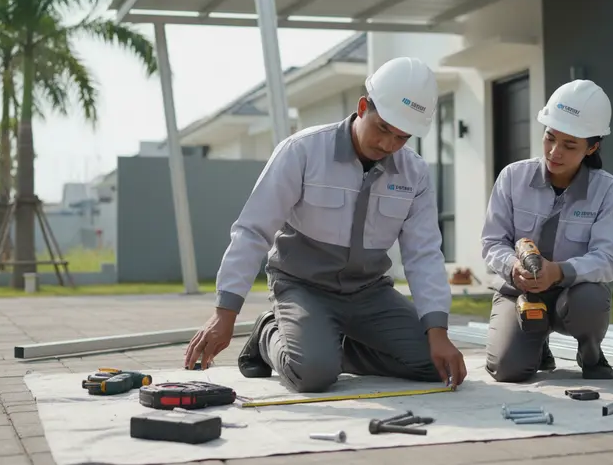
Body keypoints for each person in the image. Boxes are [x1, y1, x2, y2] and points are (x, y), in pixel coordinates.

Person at [183, 57, 467, 393]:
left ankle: (324, 349)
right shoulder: (302, 152)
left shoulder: (414, 173)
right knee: (313, 376)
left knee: (433, 363)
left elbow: (423, 254)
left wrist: (438, 331)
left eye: (402, 137)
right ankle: (269, 333)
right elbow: (252, 230)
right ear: (363, 107)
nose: (389, 145)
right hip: (304, 287)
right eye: (383, 129)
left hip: (369, 293)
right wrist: (225, 314)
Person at [479, 79, 613, 383]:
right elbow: (493, 242)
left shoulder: (608, 191)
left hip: (570, 296)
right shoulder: (513, 178)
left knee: (591, 300)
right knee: (507, 370)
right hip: (517, 292)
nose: (555, 151)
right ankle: (536, 345)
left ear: (592, 147)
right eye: (550, 138)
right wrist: (513, 266)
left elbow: (609, 258)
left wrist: (558, 272)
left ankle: (590, 351)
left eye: (570, 145)